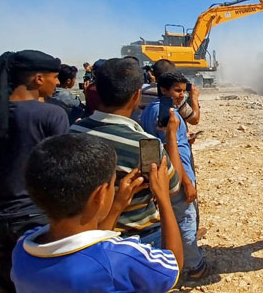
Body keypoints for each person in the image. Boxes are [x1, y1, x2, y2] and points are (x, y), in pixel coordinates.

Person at [11, 133, 183, 292]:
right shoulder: (120, 257)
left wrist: (116, 206)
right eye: (112, 185)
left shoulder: (22, 248)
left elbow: (88, 242)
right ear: (100, 194)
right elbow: (172, 263)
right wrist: (163, 197)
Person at [0, 50, 68, 292]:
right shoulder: (51, 114)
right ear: (38, 79)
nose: (58, 82)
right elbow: (63, 172)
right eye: (55, 77)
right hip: (40, 219)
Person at [69, 59, 189, 249]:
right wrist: (171, 135)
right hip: (139, 238)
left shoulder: (72, 133)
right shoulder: (144, 144)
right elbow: (172, 187)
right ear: (136, 96)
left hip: (86, 238)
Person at [139, 71, 208, 280]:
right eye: (177, 91)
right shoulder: (170, 114)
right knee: (186, 220)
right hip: (177, 177)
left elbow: (152, 146)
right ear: (163, 90)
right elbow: (170, 149)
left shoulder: (150, 111)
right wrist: (185, 182)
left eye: (183, 91)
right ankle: (195, 267)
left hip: (162, 176)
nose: (181, 95)